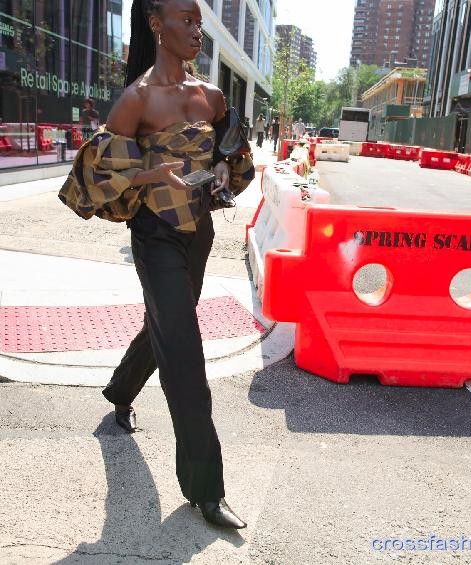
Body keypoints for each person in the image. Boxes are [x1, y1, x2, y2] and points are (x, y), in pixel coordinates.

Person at [92, 0, 246, 529]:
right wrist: (157, 175)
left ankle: (120, 389)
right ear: (157, 25)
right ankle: (207, 490)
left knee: (165, 328)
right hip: (155, 236)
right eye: (186, 19)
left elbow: (232, 150)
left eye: (200, 20)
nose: (196, 30)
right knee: (183, 352)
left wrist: (224, 171)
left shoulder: (213, 95)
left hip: (197, 236)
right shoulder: (136, 99)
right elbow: (97, 174)